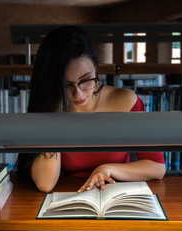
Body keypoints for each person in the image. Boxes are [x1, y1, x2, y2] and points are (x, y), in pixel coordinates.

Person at [16, 25, 165, 193]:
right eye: (66, 85)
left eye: (86, 80)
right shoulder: (48, 107)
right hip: (66, 197)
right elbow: (45, 183)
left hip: (115, 193)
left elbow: (157, 167)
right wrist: (53, 115)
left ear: (96, 68)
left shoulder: (126, 101)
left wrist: (108, 169)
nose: (78, 93)